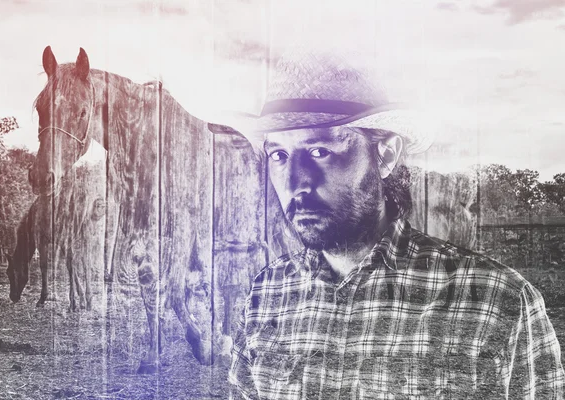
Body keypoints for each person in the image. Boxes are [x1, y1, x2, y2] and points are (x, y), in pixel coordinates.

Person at [209, 49, 564, 399]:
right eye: (279, 155)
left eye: (320, 151)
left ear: (386, 155)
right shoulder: (268, 292)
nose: (295, 181)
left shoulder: (496, 301)